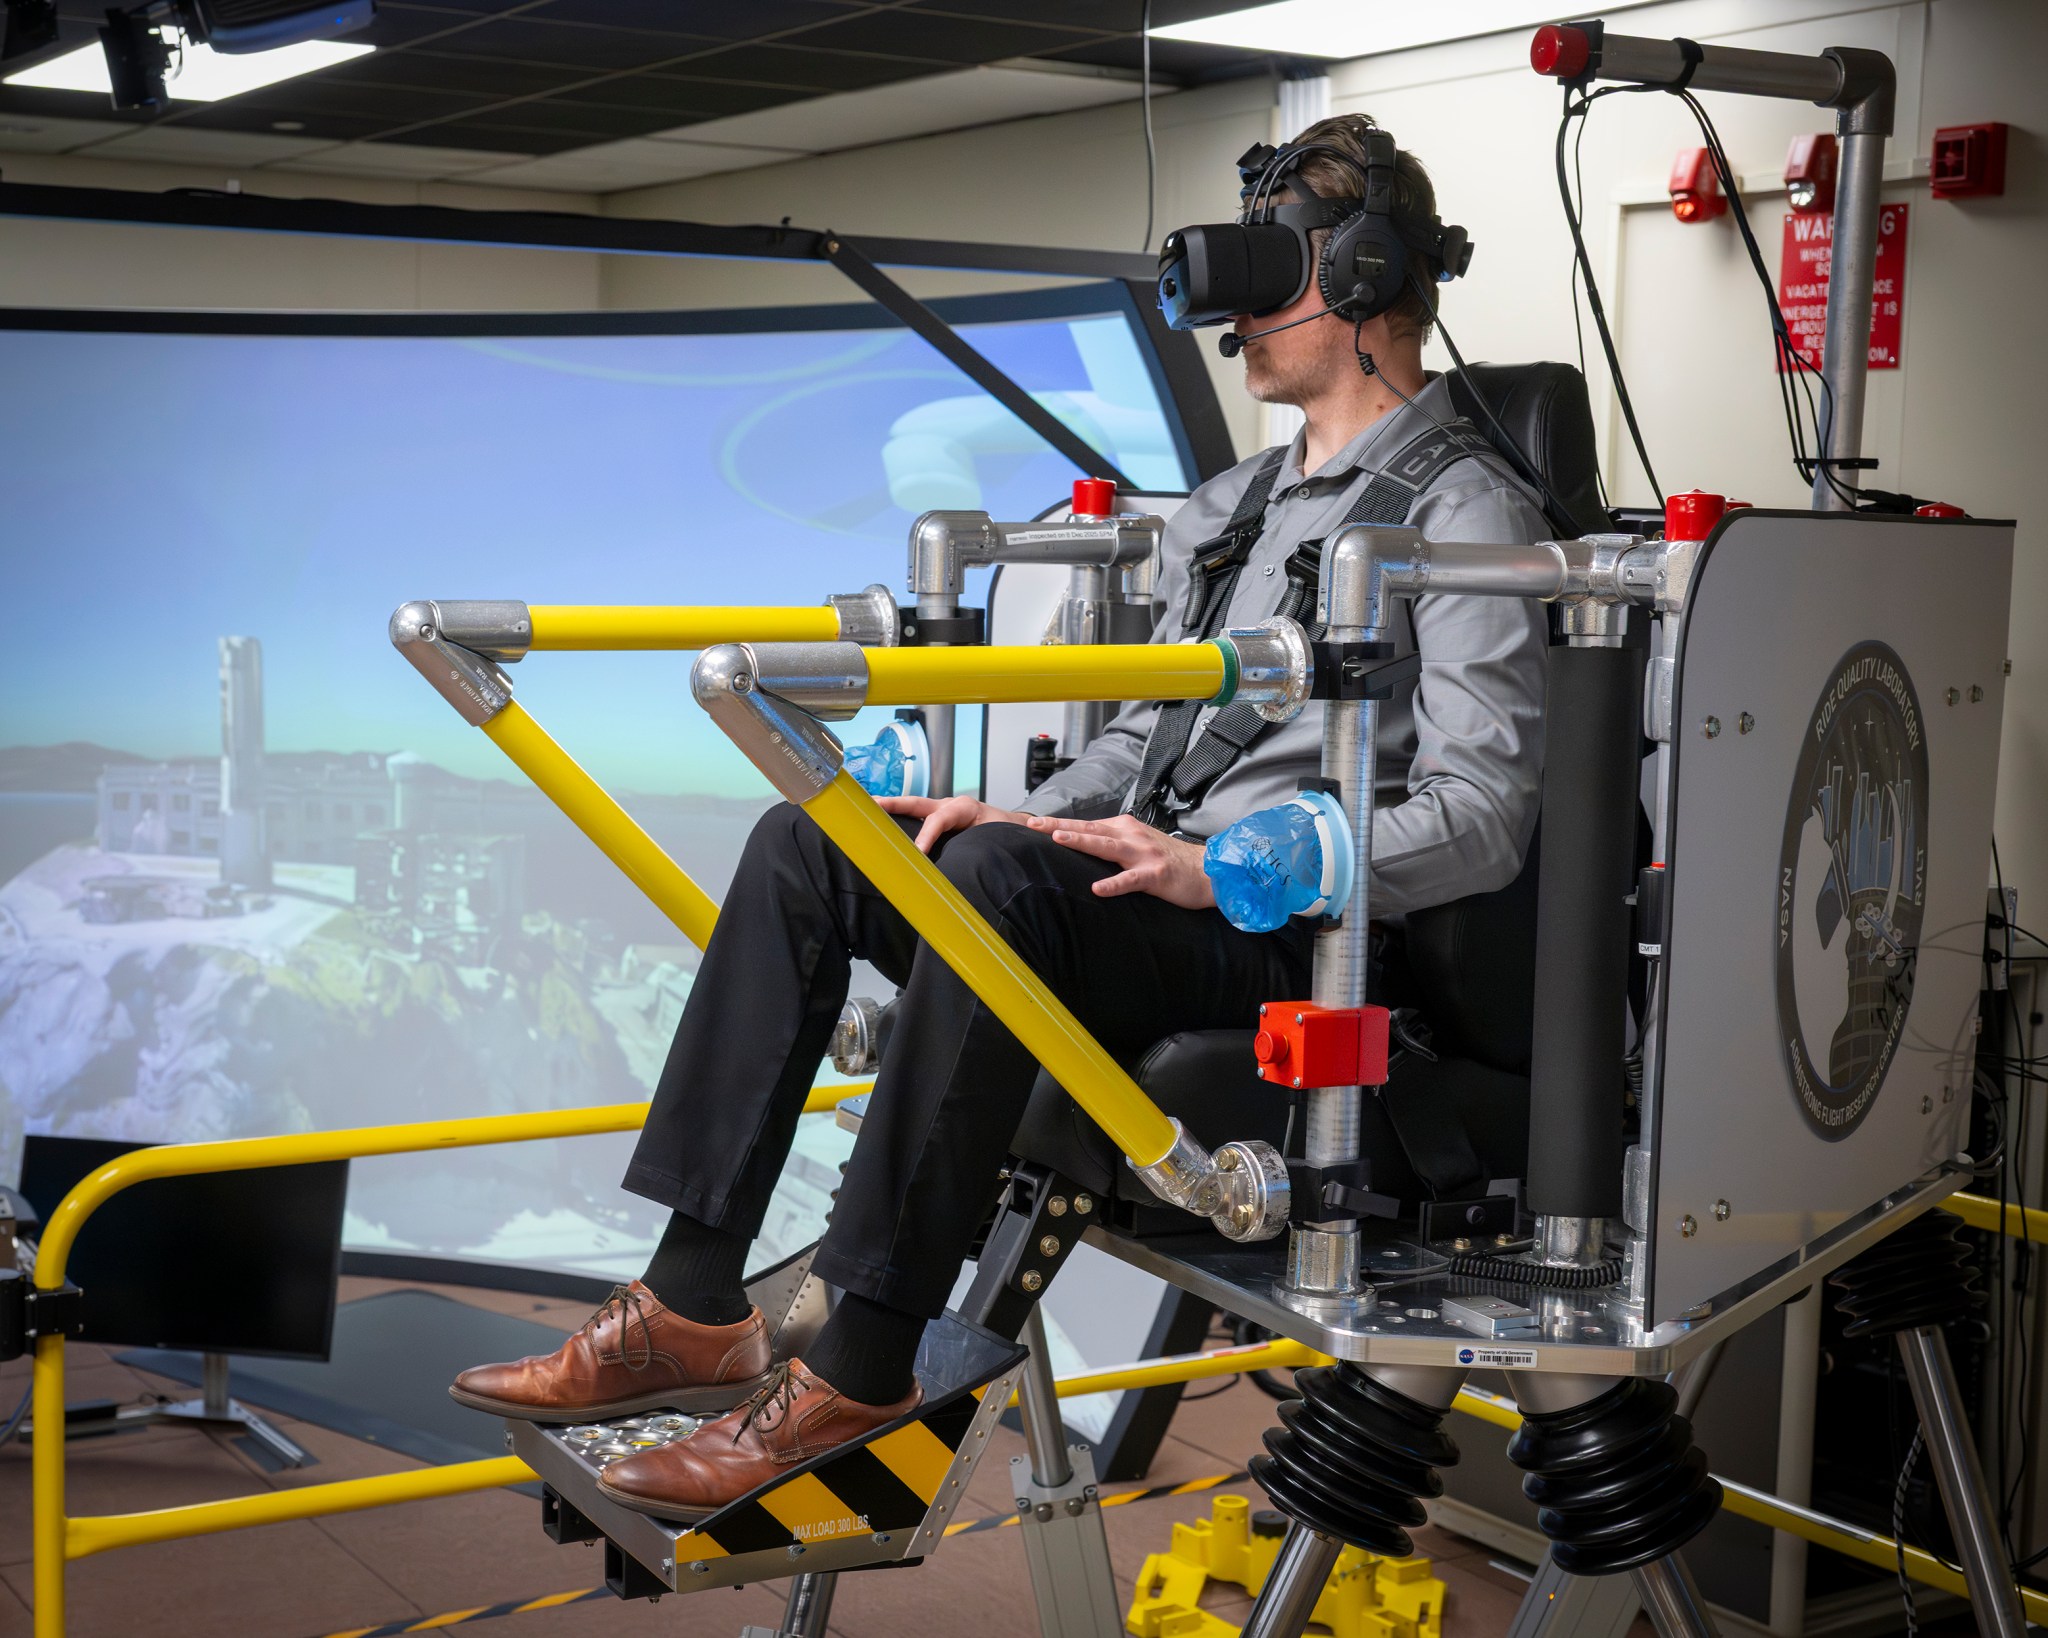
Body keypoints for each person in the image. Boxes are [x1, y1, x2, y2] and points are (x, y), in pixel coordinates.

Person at [450, 112, 1550, 1522]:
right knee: (820, 840)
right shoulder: (1243, 503)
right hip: (1143, 885)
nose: (1235, 321)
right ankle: (688, 1298)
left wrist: (1231, 869)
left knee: (997, 896)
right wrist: (1012, 810)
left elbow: (1485, 813)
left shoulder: (1462, 513)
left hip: (1293, 935)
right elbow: (1154, 730)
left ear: (1363, 275)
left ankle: (857, 1358)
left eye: (1269, 273)